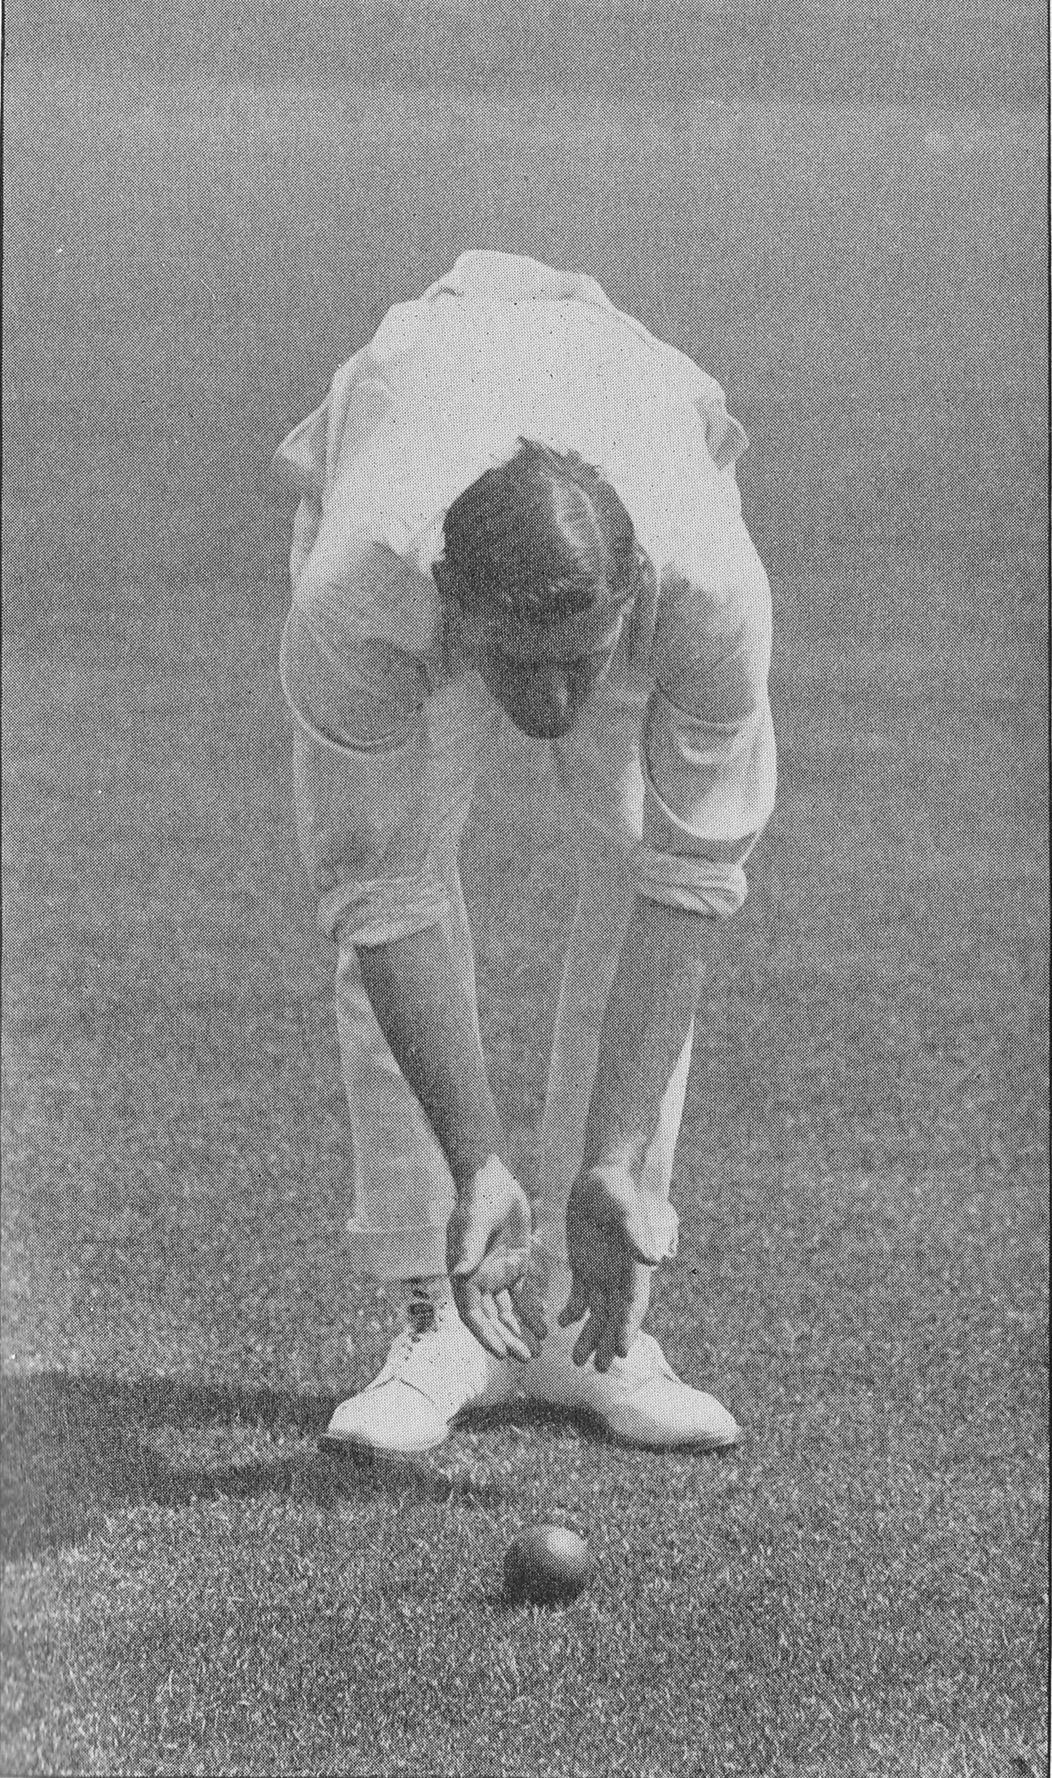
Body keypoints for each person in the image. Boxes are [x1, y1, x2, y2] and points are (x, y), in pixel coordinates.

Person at [274, 252, 776, 1456]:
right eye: (519, 663)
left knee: (639, 851)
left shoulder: (706, 596)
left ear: (635, 594)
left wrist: (609, 1158)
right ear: (456, 601)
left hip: (616, 407)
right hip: (412, 406)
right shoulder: (360, 600)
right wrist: (475, 1159)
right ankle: (436, 1319)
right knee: (392, 870)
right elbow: (380, 894)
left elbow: (687, 880)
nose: (553, 699)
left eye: (584, 659)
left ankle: (593, 1326)